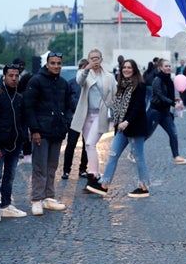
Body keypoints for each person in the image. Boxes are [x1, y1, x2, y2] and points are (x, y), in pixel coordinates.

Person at [86, 59, 151, 198]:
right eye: (124, 67)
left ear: (134, 70)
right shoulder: (121, 86)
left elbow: (138, 107)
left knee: (139, 157)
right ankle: (104, 184)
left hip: (135, 127)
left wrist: (127, 121)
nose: (126, 70)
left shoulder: (139, 86)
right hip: (121, 129)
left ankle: (144, 187)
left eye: (129, 67)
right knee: (112, 154)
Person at [24, 52, 73, 216]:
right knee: (39, 167)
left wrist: (66, 121)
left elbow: (68, 105)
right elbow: (28, 106)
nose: (56, 66)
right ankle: (37, 199)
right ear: (47, 64)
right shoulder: (36, 81)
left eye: (59, 63)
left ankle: (49, 197)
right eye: (53, 63)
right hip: (41, 131)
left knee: (52, 166)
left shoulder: (63, 83)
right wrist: (35, 130)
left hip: (57, 130)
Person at [0, 64, 28, 222]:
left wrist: (23, 137)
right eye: (11, 75)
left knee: (10, 175)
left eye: (17, 76)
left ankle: (6, 205)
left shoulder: (20, 97)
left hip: (15, 144)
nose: (14, 78)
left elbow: (23, 120)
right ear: (4, 76)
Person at [70, 50, 115, 188]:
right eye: (92, 58)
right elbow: (80, 81)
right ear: (88, 60)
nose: (95, 61)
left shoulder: (109, 77)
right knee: (89, 145)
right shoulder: (84, 73)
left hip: (100, 114)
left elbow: (114, 96)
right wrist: (86, 70)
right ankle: (94, 174)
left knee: (90, 143)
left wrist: (115, 115)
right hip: (85, 114)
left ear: (101, 59)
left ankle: (94, 174)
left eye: (97, 58)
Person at [145, 59, 186, 165]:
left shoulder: (169, 79)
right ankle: (133, 152)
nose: (168, 68)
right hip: (155, 112)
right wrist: (174, 104)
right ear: (160, 67)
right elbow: (160, 95)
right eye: (166, 66)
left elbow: (166, 95)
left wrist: (174, 99)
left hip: (165, 112)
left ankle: (176, 156)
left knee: (173, 133)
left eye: (169, 66)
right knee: (147, 134)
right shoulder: (157, 80)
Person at [62, 58, 89, 180]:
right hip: (74, 117)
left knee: (87, 145)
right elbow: (67, 101)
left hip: (88, 117)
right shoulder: (71, 83)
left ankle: (83, 169)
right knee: (71, 144)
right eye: (82, 67)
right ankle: (66, 170)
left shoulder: (91, 83)